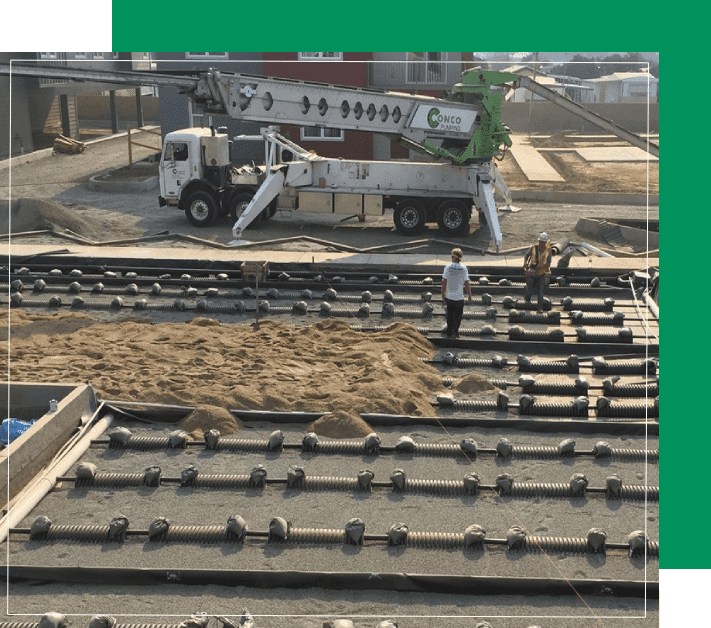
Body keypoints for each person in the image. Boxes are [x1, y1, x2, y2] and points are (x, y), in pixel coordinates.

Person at [441, 247, 472, 338]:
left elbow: (444, 283)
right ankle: (456, 332)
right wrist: (470, 295)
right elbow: (467, 284)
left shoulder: (447, 267)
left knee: (450, 316)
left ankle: (449, 333)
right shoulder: (464, 268)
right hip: (459, 298)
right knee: (458, 317)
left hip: (449, 297)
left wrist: (442, 296)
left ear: (454, 257)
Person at [523, 232, 553, 312]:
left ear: (546, 242)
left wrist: (542, 266)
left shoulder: (548, 251)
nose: (540, 243)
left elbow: (549, 263)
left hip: (541, 273)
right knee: (529, 288)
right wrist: (525, 263)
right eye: (540, 241)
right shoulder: (533, 248)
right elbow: (527, 255)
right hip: (532, 273)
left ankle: (540, 307)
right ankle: (527, 301)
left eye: (542, 242)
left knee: (540, 291)